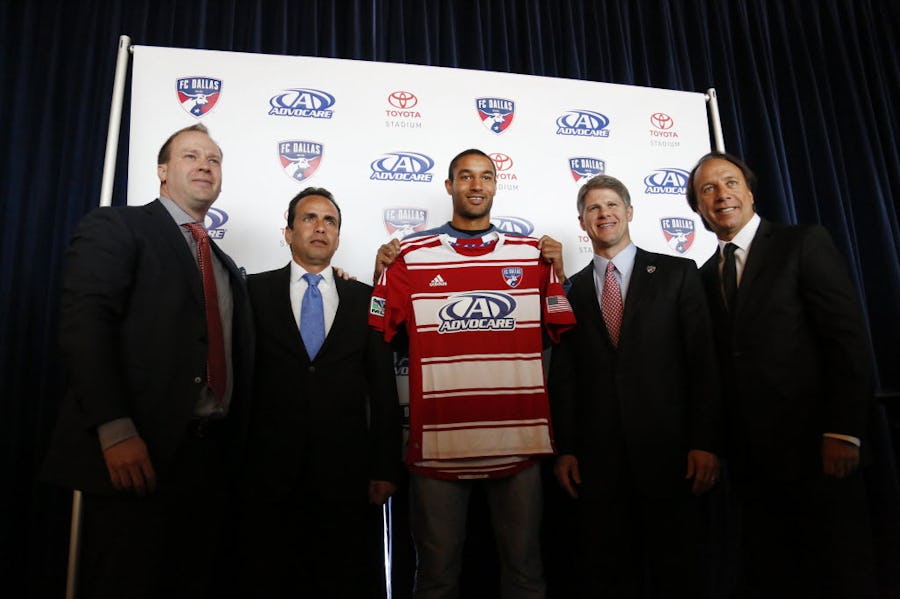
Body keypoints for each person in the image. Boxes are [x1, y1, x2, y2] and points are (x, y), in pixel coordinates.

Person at [41, 124, 253, 598]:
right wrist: (115, 429)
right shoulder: (119, 226)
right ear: (161, 170)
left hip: (209, 462)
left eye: (214, 160)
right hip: (137, 454)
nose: (205, 166)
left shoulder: (222, 263)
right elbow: (85, 327)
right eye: (191, 156)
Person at [369, 149, 575, 598]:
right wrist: (380, 272)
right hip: (438, 446)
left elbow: (561, 333)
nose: (476, 185)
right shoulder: (409, 257)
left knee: (525, 575)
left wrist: (559, 271)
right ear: (450, 186)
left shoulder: (534, 255)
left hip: (518, 441)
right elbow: (382, 330)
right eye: (465, 176)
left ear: (496, 185)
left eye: (486, 176)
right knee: (436, 579)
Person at [686, 151, 876, 598]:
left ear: (751, 193)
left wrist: (843, 430)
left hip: (817, 447)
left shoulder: (802, 243)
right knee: (776, 573)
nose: (721, 194)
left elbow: (845, 339)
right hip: (751, 462)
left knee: (836, 569)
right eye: (707, 189)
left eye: (730, 182)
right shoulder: (703, 277)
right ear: (698, 208)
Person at [547, 174, 721, 598]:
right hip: (599, 463)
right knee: (610, 575)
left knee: (680, 572)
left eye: (611, 205)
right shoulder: (570, 291)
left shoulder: (678, 273)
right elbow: (566, 377)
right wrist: (566, 448)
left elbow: (702, 363)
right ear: (582, 222)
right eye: (593, 208)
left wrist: (705, 441)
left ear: (629, 212)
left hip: (672, 455)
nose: (603, 213)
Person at [241, 187, 401, 597]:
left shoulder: (366, 299)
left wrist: (385, 467)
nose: (320, 227)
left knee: (341, 579)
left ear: (338, 237)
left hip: (346, 475)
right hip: (267, 472)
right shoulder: (252, 292)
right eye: (309, 218)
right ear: (288, 232)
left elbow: (383, 389)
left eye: (329, 221)